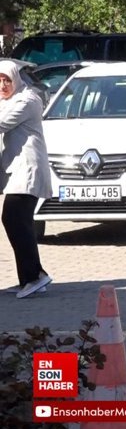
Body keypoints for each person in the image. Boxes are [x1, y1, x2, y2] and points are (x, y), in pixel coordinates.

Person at [0, 60, 53, 299]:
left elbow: (1, 123)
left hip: (28, 169)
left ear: (16, 79)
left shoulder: (27, 100)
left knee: (14, 218)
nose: (3, 85)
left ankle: (34, 277)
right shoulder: (9, 101)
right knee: (18, 221)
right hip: (17, 171)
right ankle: (31, 276)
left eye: (7, 80)